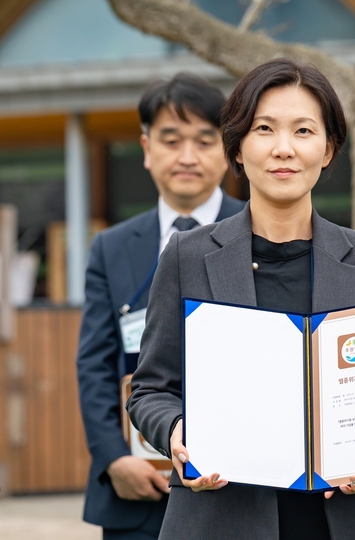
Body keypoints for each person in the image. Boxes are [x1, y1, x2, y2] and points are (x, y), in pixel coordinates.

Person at [127, 58, 355, 539]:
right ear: (237, 147)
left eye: (303, 131)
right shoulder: (187, 256)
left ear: (328, 148)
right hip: (219, 515)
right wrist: (176, 431)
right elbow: (151, 389)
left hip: (340, 519)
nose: (283, 148)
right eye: (264, 129)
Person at [76, 73, 246, 539]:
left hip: (240, 487)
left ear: (228, 151)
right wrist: (114, 457)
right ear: (147, 149)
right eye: (171, 140)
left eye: (204, 141)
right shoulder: (111, 247)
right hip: (138, 490)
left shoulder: (261, 230)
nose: (187, 156)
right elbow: (94, 363)